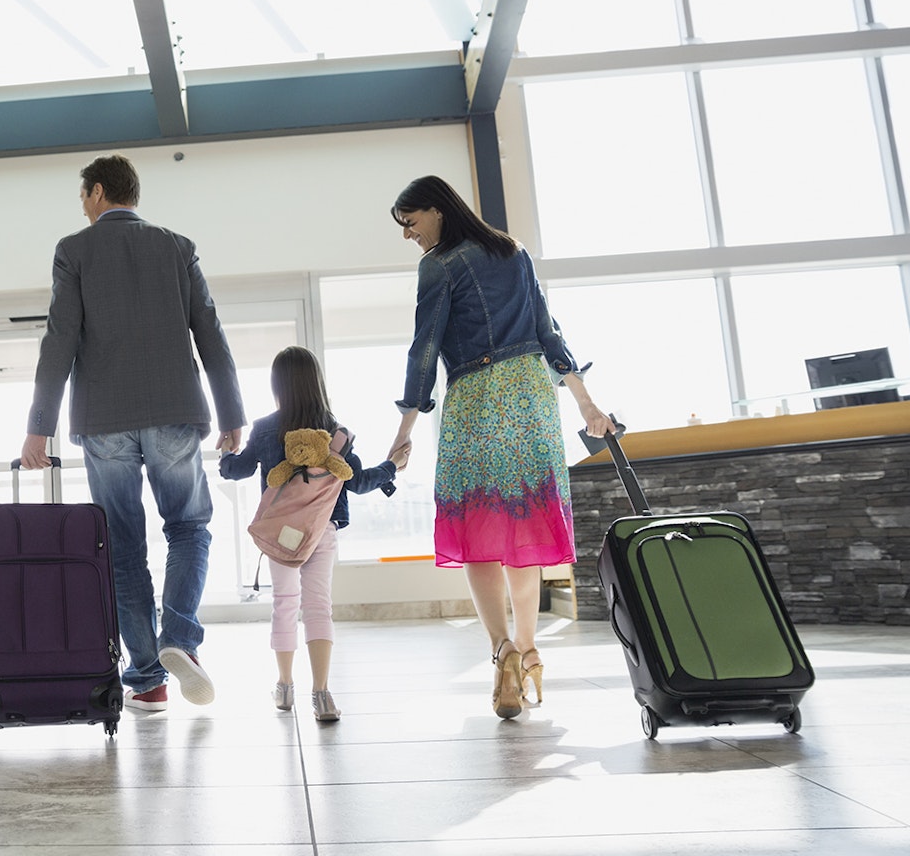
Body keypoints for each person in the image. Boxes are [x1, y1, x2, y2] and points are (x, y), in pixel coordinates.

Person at [21, 153, 246, 713]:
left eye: (82, 197)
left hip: (103, 422)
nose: (82, 207)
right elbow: (210, 333)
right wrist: (232, 413)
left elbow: (59, 341)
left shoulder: (74, 250)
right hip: (174, 412)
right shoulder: (177, 246)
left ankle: (147, 677)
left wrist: (38, 428)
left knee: (121, 546)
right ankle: (180, 640)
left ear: (98, 192)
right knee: (189, 528)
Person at [384, 176, 616, 720]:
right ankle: (531, 646)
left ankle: (501, 648)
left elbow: (426, 347)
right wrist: (585, 404)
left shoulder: (439, 266)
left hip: (477, 393)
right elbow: (548, 331)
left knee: (479, 524)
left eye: (411, 222)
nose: (409, 235)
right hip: (531, 395)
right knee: (523, 522)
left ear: (438, 212)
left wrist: (405, 429)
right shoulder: (514, 252)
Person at [220, 346, 404, 722]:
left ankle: (285, 687)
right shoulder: (335, 431)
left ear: (277, 386)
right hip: (323, 528)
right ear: (316, 382)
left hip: (282, 533)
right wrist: (392, 466)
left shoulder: (265, 427)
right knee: (318, 606)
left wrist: (226, 453)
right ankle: (321, 695)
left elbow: (236, 471)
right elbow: (359, 482)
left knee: (285, 602)